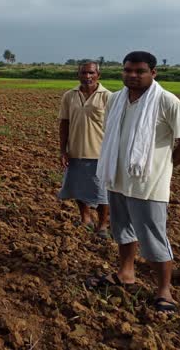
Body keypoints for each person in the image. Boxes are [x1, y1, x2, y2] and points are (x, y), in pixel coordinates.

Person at [86, 51, 180, 314]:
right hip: (118, 178)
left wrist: (165, 168)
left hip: (149, 184)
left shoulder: (167, 102)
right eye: (127, 70)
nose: (132, 76)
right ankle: (125, 274)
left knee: (153, 239)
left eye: (139, 71)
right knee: (122, 231)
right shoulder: (116, 100)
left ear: (153, 73)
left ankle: (164, 290)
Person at [58, 61, 111, 238]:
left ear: (98, 75)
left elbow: (114, 128)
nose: (87, 76)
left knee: (101, 191)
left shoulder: (108, 97)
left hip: (100, 153)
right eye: (83, 73)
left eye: (91, 73)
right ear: (78, 75)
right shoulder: (69, 96)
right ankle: (85, 218)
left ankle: (103, 224)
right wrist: (63, 150)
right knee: (78, 187)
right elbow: (64, 123)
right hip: (75, 150)